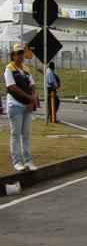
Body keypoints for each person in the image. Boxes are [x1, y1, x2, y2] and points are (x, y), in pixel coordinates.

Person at [5, 44, 38, 172]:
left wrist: (33, 98)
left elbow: (33, 86)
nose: (20, 56)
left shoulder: (26, 69)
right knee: (15, 134)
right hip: (15, 106)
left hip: (27, 107)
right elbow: (12, 88)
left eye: (22, 53)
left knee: (26, 135)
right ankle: (17, 162)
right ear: (13, 55)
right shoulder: (9, 69)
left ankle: (28, 161)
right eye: (18, 53)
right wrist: (29, 98)